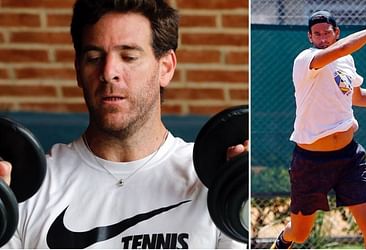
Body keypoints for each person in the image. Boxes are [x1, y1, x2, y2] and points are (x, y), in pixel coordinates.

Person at [0, 0, 247, 248]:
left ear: (166, 68)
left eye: (128, 57)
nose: (108, 72)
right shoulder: (28, 191)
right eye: (94, 57)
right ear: (78, 69)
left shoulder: (212, 187)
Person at [271, 11, 366, 249]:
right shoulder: (306, 59)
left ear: (336, 33)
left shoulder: (346, 62)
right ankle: (285, 239)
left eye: (327, 33)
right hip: (310, 162)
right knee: (300, 234)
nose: (322, 38)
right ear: (310, 37)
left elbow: (356, 95)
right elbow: (342, 48)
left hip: (348, 157)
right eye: (317, 34)